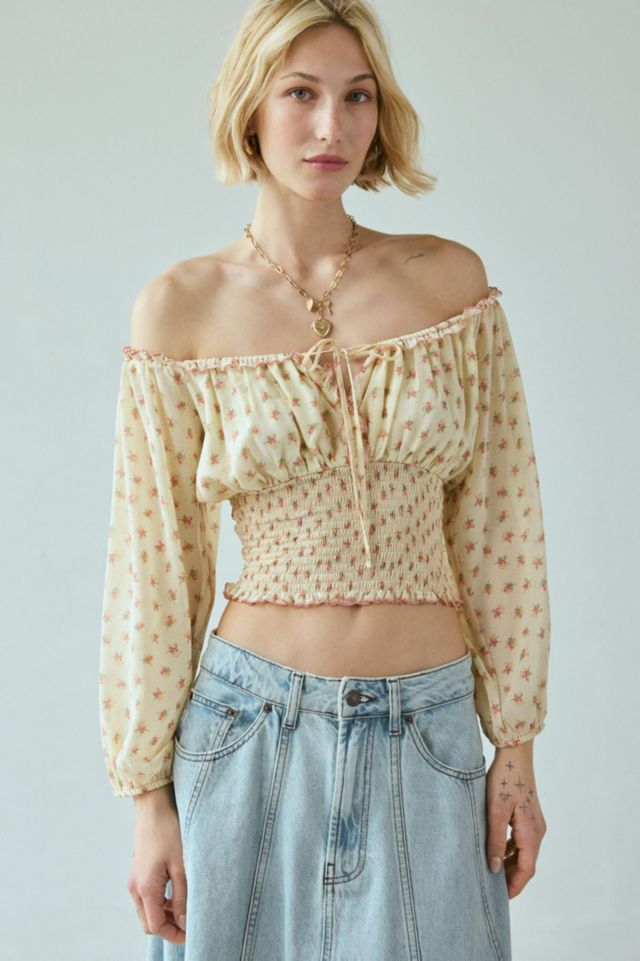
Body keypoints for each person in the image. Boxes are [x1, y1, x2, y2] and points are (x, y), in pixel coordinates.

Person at [98, 1, 551, 958]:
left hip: (428, 735)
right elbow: (156, 569)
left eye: (357, 97)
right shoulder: (179, 309)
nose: (330, 126)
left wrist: (514, 747)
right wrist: (148, 801)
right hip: (246, 734)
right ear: (250, 109)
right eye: (300, 94)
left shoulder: (449, 285)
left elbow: (501, 524)